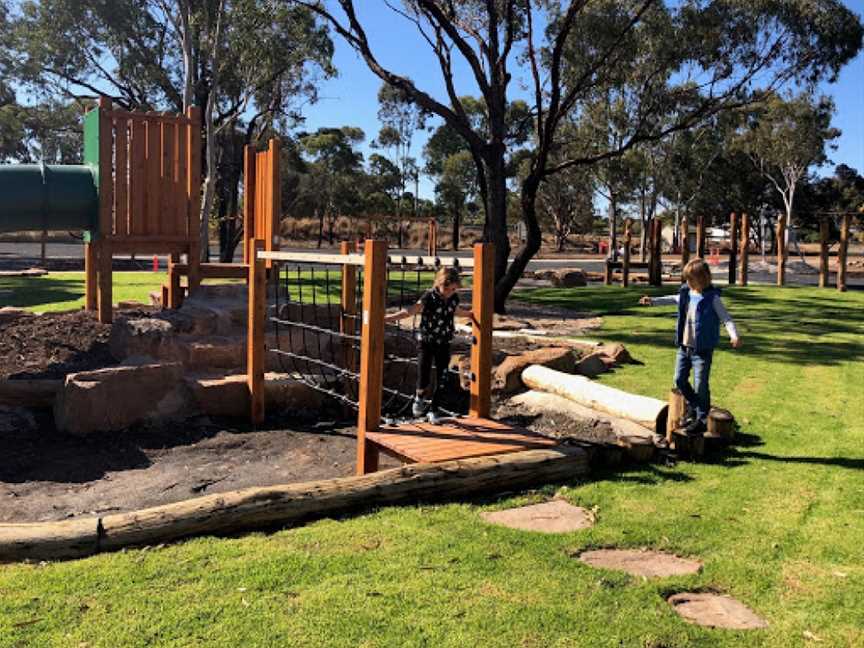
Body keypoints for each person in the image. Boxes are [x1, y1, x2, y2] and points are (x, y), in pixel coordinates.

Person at [640, 258, 742, 446]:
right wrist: (652, 301)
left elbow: (726, 319)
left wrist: (734, 336)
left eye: (691, 279)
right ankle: (696, 407)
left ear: (701, 278)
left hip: (702, 350)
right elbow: (671, 299)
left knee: (700, 384)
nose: (687, 282)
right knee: (679, 380)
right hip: (684, 347)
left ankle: (702, 419)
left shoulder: (712, 298)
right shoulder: (687, 293)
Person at [385, 267, 473, 423]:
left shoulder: (453, 298)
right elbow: (410, 312)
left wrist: (471, 314)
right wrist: (387, 318)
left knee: (443, 376)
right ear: (438, 283)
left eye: (453, 289)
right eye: (446, 288)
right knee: (423, 374)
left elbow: (456, 311)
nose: (449, 292)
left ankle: (434, 410)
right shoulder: (429, 297)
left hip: (444, 342)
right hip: (426, 342)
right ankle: (419, 396)